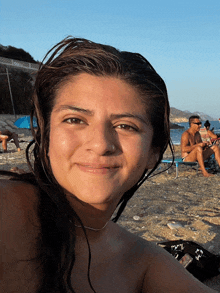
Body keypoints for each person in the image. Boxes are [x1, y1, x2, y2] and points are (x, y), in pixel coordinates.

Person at [1, 37, 217, 293]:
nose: (101, 144)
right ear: (46, 135)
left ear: (152, 152)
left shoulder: (144, 262)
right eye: (74, 120)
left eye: (126, 126)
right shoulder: (8, 212)